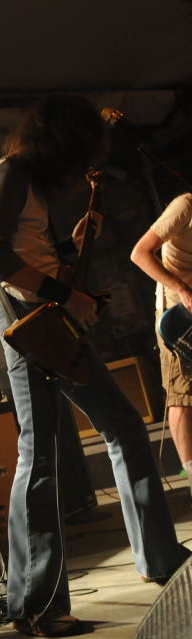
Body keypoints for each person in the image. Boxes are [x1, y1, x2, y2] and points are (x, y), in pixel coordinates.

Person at [0, 95, 188, 637]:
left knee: (125, 427)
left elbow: (28, 253)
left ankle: (159, 557)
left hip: (49, 318)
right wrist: (66, 295)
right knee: (39, 454)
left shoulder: (25, 183)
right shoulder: (7, 175)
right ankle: (35, 604)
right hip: (28, 324)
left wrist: (70, 249)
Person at [130, 192, 192, 494]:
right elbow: (140, 253)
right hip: (178, 316)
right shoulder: (185, 206)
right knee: (182, 396)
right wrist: (182, 288)